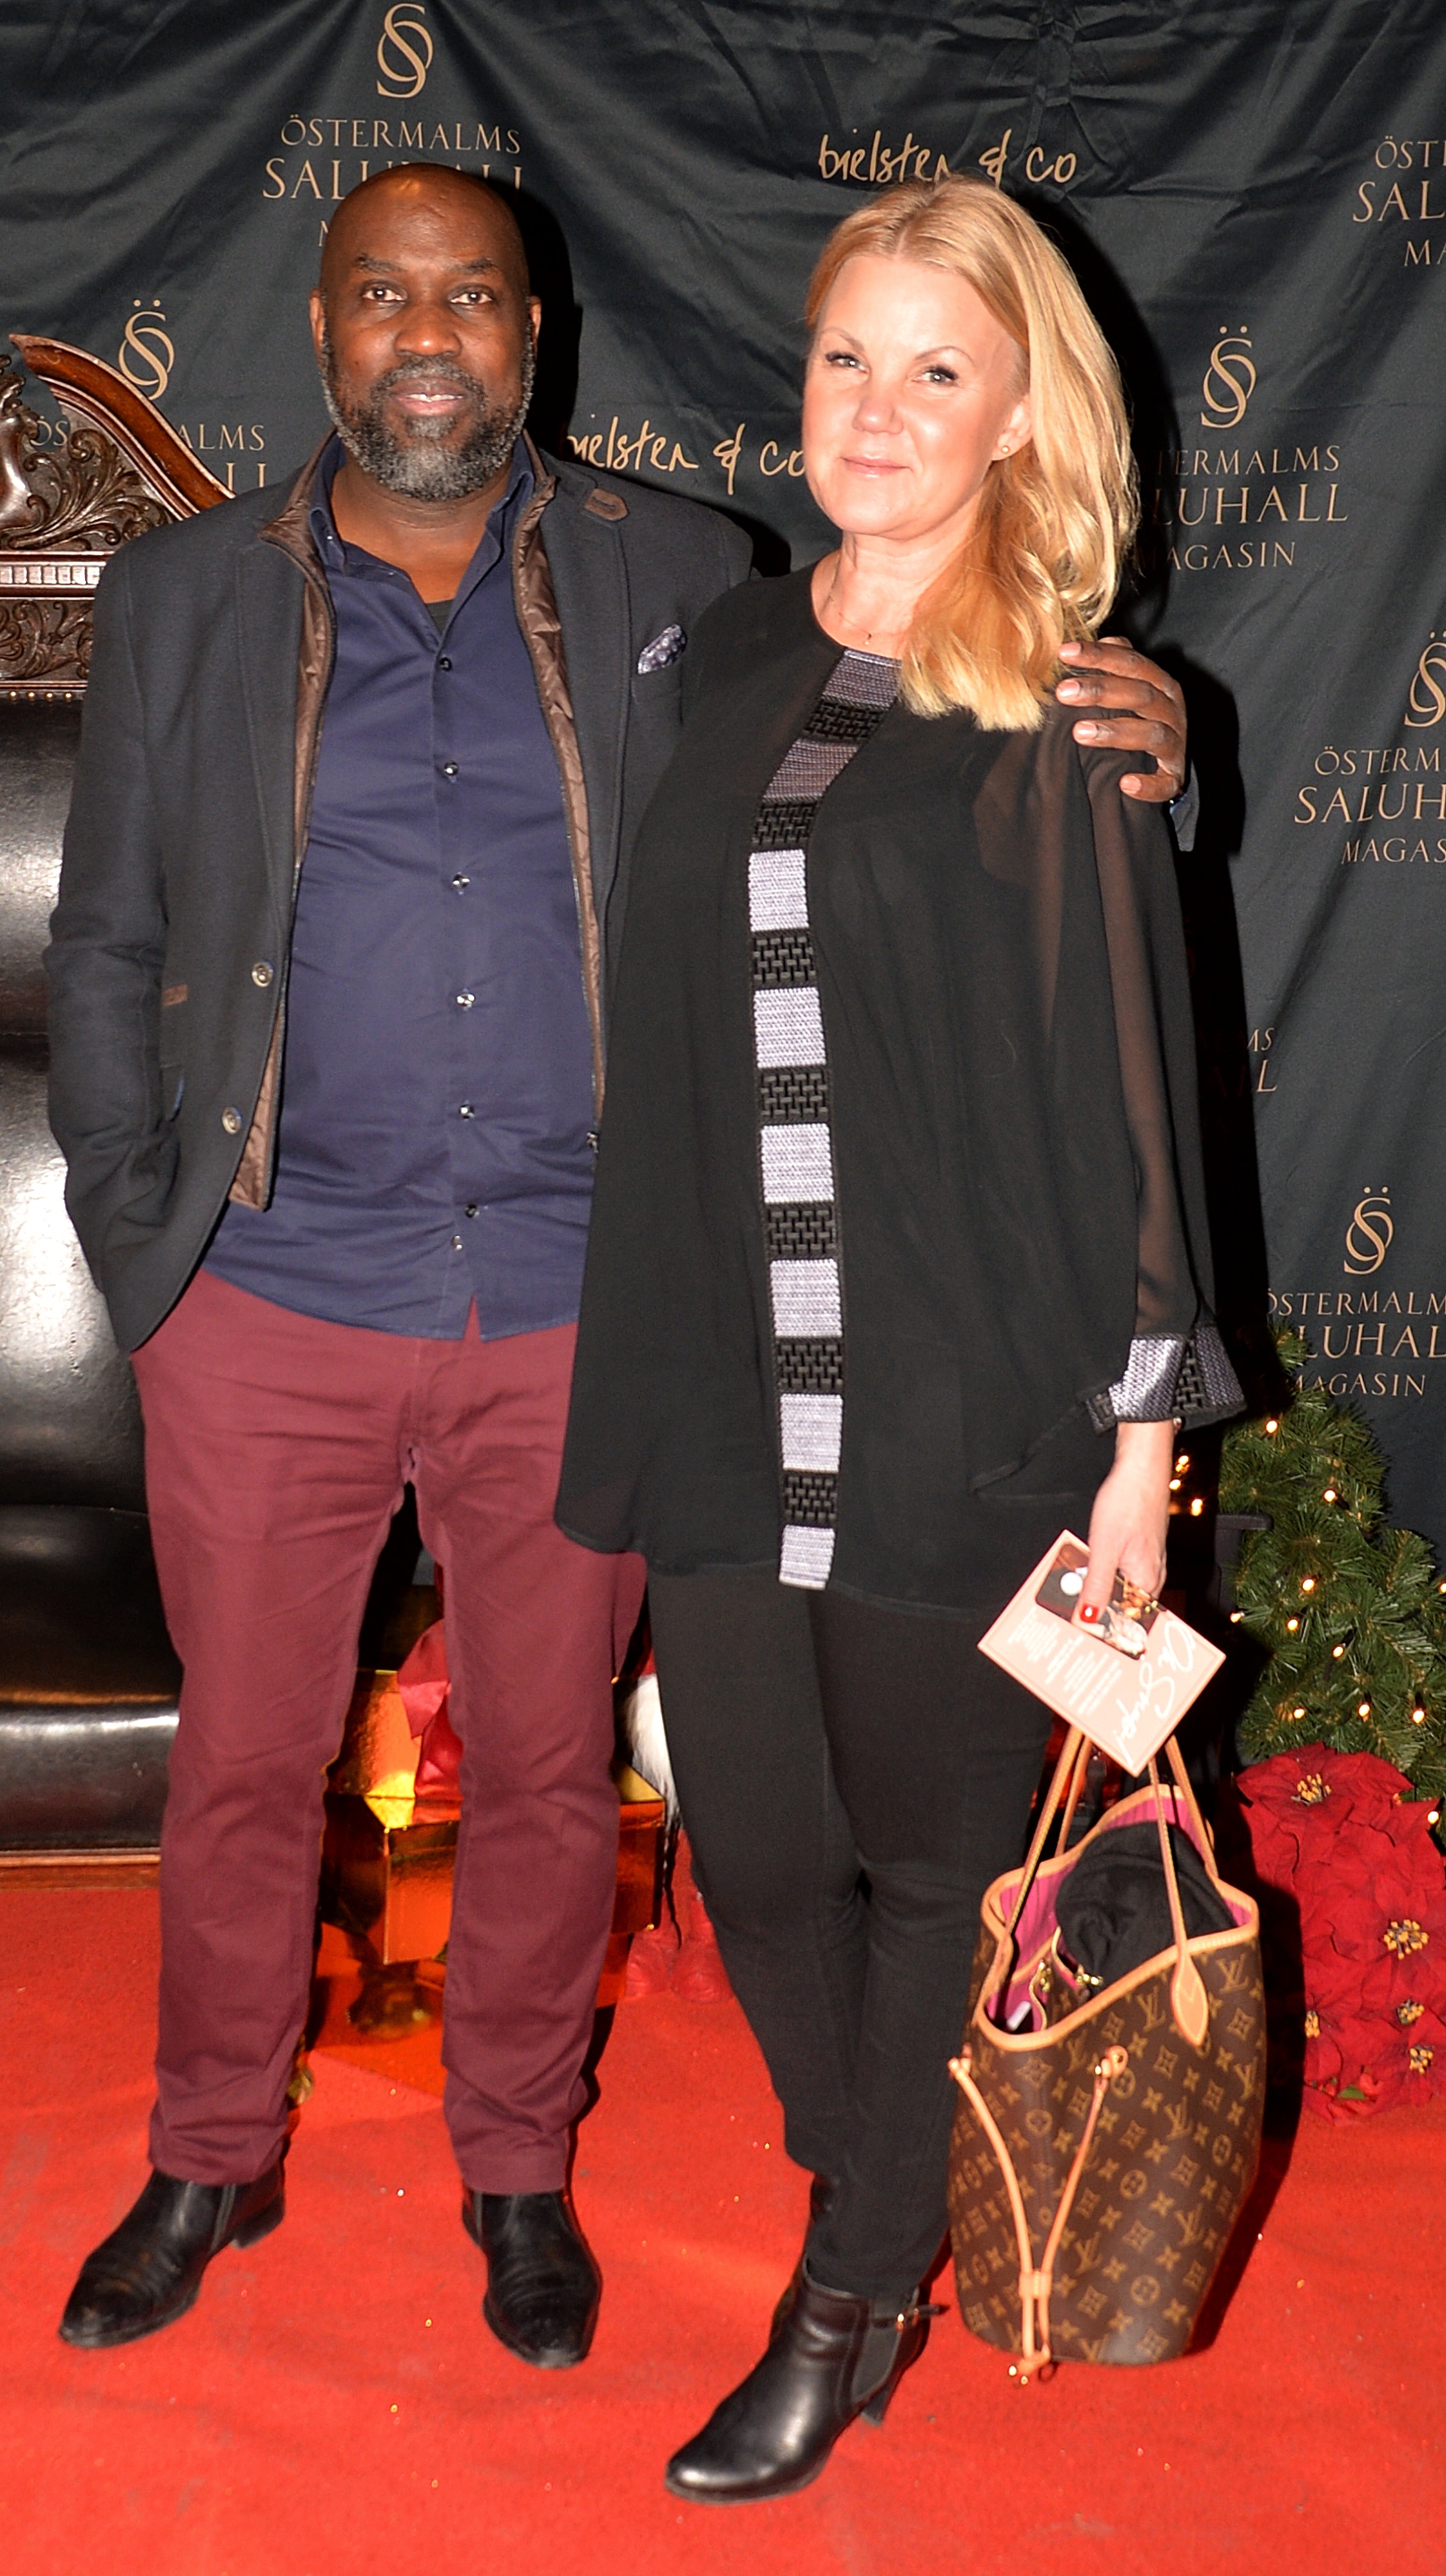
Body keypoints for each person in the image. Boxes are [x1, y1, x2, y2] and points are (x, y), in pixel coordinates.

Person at [44, 163, 1191, 2374]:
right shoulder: (183, 593)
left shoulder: (685, 577)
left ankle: (515, 2161)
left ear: (536, 331)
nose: (428, 335)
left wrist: (1160, 736)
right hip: (270, 1289)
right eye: (382, 295)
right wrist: (142, 1245)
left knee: (556, 1767)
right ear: (320, 326)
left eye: (471, 294)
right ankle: (208, 2149)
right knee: (244, 1760)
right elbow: (105, 935)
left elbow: (919, 746)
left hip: (589, 1297)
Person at [557, 173, 1240, 2494]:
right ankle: (885, 2168)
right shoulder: (726, 648)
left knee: (939, 1864)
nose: (875, 405)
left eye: (936, 367)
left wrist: (1138, 1441)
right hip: (725, 1367)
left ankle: (845, 2300)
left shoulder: (1068, 701)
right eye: (847, 355)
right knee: (757, 1857)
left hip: (965, 1384)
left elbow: (1134, 1096)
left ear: (1018, 411)